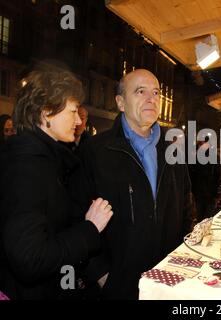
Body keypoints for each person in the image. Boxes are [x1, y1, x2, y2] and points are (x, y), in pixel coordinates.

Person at [74, 69, 195, 300]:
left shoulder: (174, 147)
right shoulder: (95, 151)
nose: (151, 98)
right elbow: (77, 214)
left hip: (168, 279)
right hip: (120, 285)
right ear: (120, 102)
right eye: (140, 91)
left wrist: (184, 256)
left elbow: (187, 204)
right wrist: (101, 274)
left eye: (156, 92)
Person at [0, 69, 113, 300]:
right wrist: (90, 228)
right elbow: (30, 259)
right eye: (73, 111)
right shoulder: (26, 169)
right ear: (46, 112)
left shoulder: (47, 161)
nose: (80, 120)